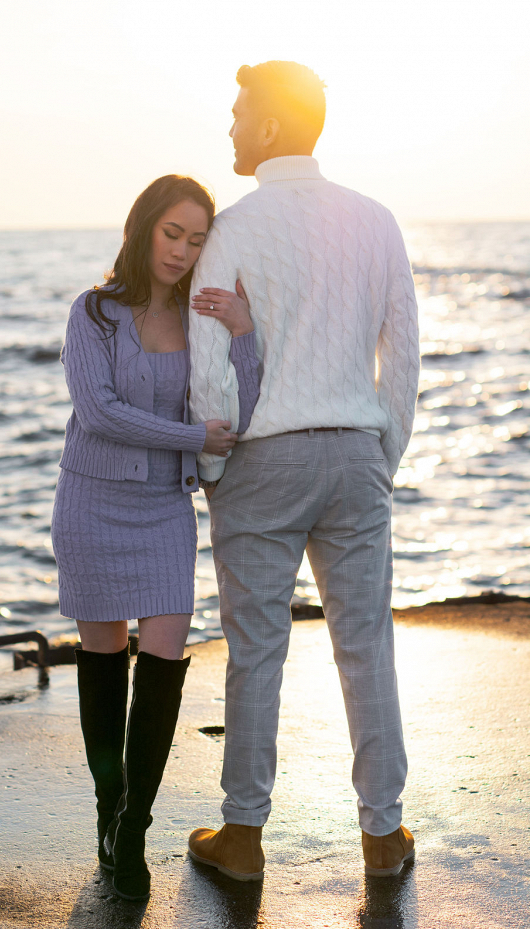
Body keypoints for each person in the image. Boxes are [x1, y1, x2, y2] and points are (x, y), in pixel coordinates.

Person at [187, 61, 420, 881]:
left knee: (256, 650)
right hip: (357, 454)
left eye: (240, 112)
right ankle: (384, 837)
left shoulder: (234, 229)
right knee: (367, 646)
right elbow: (404, 355)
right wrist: (380, 455)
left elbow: (209, 361)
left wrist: (214, 463)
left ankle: (244, 838)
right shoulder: (377, 220)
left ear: (273, 129)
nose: (231, 127)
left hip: (263, 458)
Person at [51, 175, 260, 901]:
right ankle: (108, 806)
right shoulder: (94, 313)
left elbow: (238, 408)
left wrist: (242, 333)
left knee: (166, 656)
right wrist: (188, 436)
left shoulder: (202, 317)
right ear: (144, 229)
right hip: (92, 503)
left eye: (197, 239)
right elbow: (100, 411)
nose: (181, 250)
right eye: (172, 233)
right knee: (104, 661)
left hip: (165, 511)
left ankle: (135, 822)